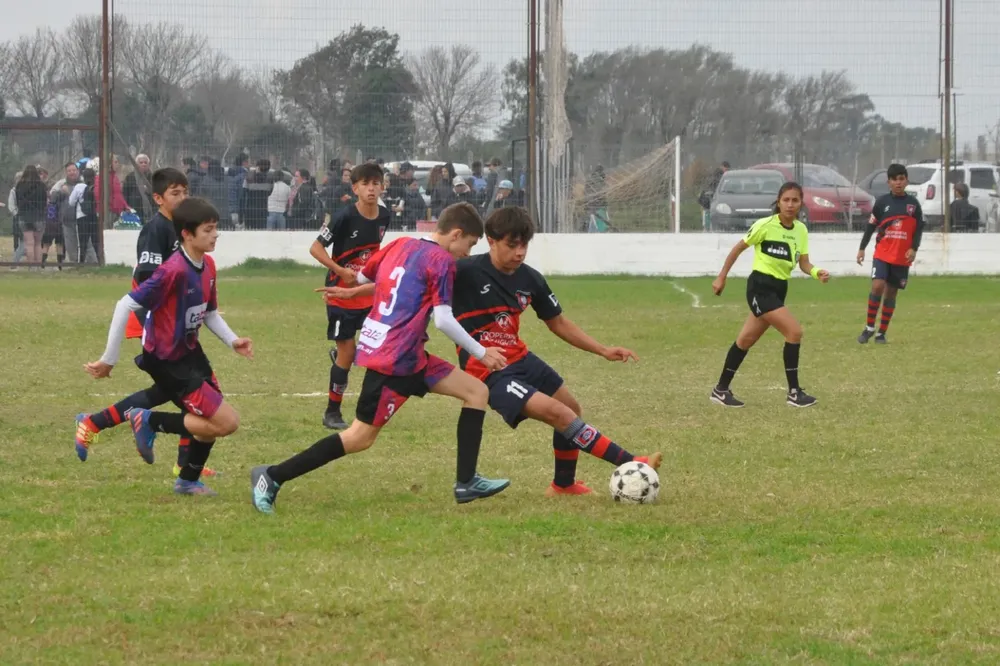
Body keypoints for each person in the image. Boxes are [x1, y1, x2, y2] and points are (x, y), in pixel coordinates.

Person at [250, 203, 510, 515]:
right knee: (359, 437)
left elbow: (367, 279)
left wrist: (350, 293)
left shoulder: (402, 244)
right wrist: (482, 352)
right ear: (456, 235)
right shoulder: (442, 261)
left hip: (410, 355)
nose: (468, 253)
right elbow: (443, 320)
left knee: (476, 392)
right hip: (394, 360)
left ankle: (466, 482)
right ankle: (271, 476)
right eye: (469, 245)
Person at [451, 207, 662, 495]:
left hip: (521, 358)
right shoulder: (464, 272)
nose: (520, 253)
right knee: (560, 414)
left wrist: (602, 350)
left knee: (572, 408)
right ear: (491, 240)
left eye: (524, 245)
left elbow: (558, 323)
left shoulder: (531, 279)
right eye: (511, 245)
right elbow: (415, 290)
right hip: (488, 369)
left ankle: (563, 484)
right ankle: (634, 462)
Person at [84, 197, 253, 496]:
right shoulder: (172, 270)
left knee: (210, 419)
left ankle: (188, 480)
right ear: (187, 234)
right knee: (227, 422)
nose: (215, 236)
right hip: (166, 360)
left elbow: (209, 312)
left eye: (216, 230)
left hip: (190, 353)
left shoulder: (208, 265)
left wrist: (232, 340)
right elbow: (124, 305)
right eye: (208, 230)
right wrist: (108, 360)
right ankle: (147, 419)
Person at [75, 168, 218, 479]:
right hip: (158, 325)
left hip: (179, 327)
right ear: (158, 198)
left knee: (178, 390)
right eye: (175, 193)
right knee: (190, 389)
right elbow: (145, 283)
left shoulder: (184, 227)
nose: (182, 198)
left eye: (185, 191)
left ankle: (95, 422)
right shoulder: (157, 230)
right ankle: (96, 423)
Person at [710, 181, 830, 408]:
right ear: (778, 202)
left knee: (745, 340)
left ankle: (720, 389)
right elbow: (738, 248)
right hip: (760, 287)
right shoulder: (765, 225)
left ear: (801, 203)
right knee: (794, 332)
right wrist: (721, 277)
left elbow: (804, 263)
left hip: (779, 289)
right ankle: (794, 393)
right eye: (786, 200)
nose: (790, 204)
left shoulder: (801, 230)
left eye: (795, 200)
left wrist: (816, 272)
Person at [309, 163, 391, 429]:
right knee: (348, 352)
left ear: (382, 186)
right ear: (355, 188)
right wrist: (339, 271)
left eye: (375, 183)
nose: (371, 188)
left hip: (367, 294)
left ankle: (371, 409)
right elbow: (315, 248)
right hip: (340, 294)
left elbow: (374, 254)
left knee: (377, 349)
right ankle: (332, 411)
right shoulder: (343, 216)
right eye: (365, 184)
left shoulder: (384, 216)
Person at [856, 164, 924, 345]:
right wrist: (862, 248)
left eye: (901, 179)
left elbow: (919, 229)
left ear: (906, 181)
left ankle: (881, 333)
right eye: (894, 179)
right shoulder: (882, 203)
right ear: (889, 183)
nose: (898, 183)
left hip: (902, 256)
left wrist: (914, 248)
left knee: (891, 293)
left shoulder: (913, 205)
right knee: (877, 285)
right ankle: (869, 328)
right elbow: (871, 226)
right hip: (883, 253)